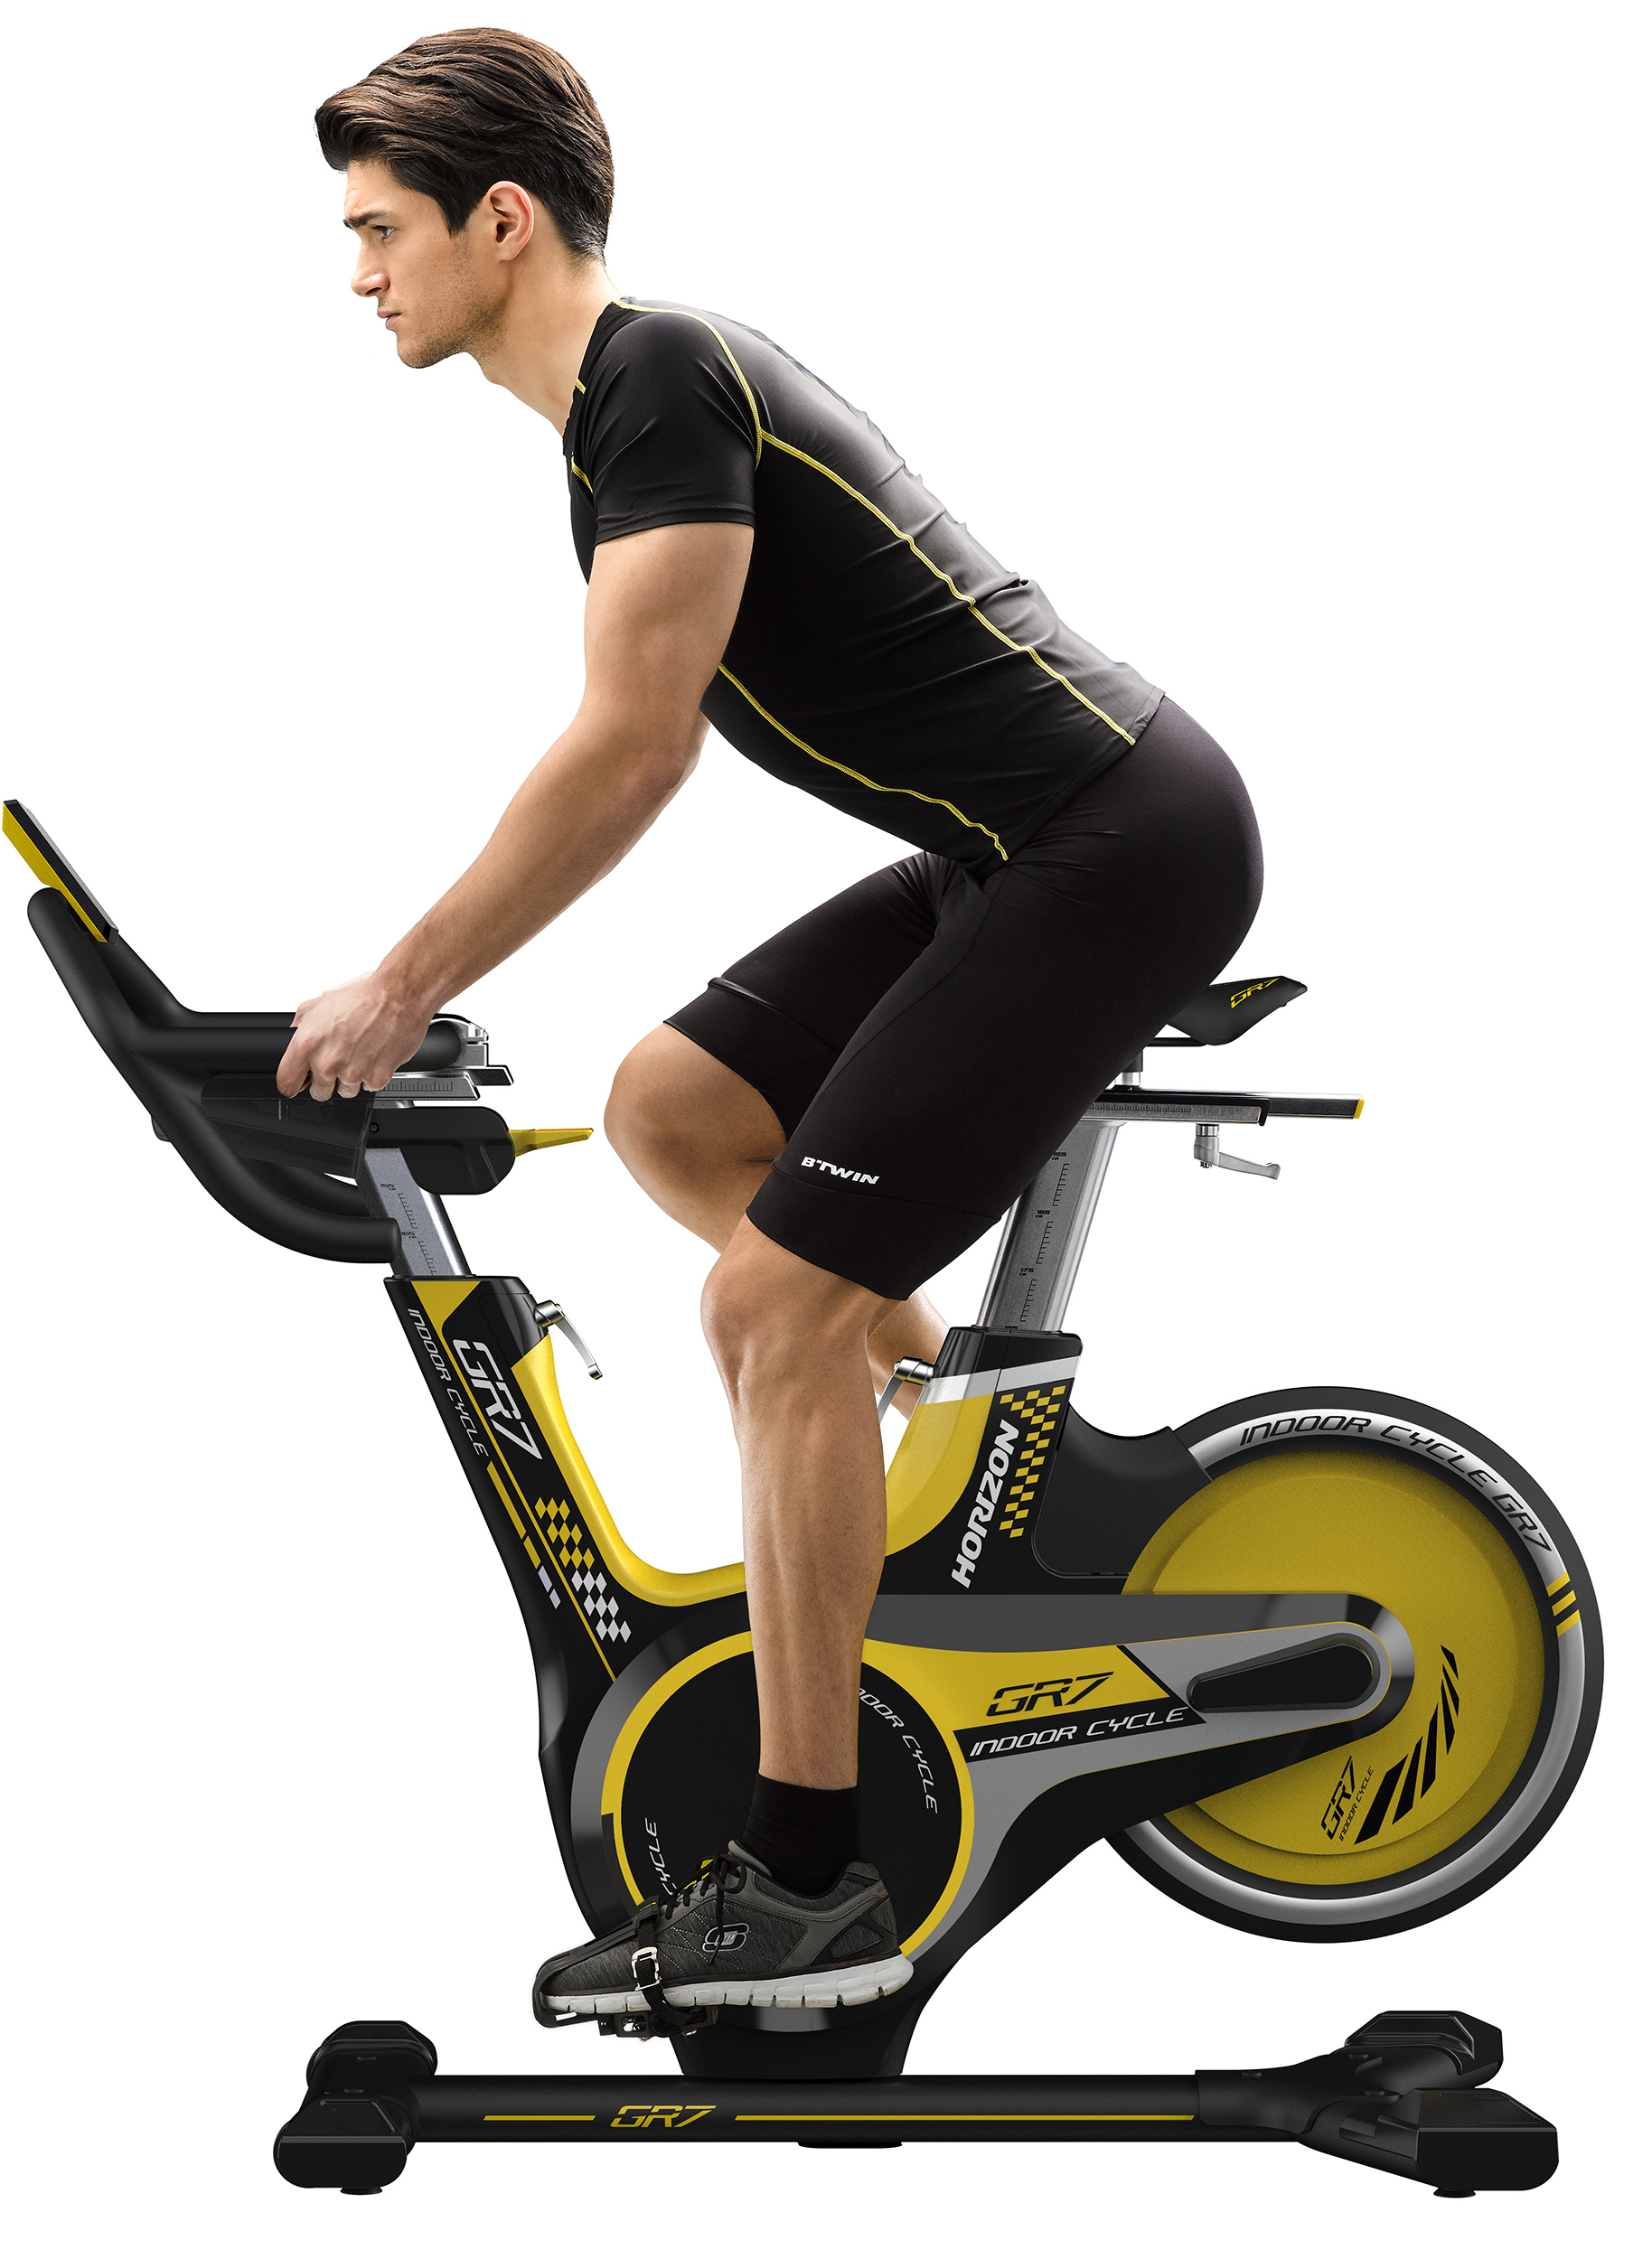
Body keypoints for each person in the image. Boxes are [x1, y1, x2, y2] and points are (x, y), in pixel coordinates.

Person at [281, 27, 1262, 2018]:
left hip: (1115, 843)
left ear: (498, 219)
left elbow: (632, 748)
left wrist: (403, 981)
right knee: (669, 1109)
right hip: (1024, 845)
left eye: (379, 228)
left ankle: (808, 1879)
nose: (356, 272)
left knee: (772, 1312)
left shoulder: (655, 376)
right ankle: (1003, 1467)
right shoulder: (618, 413)